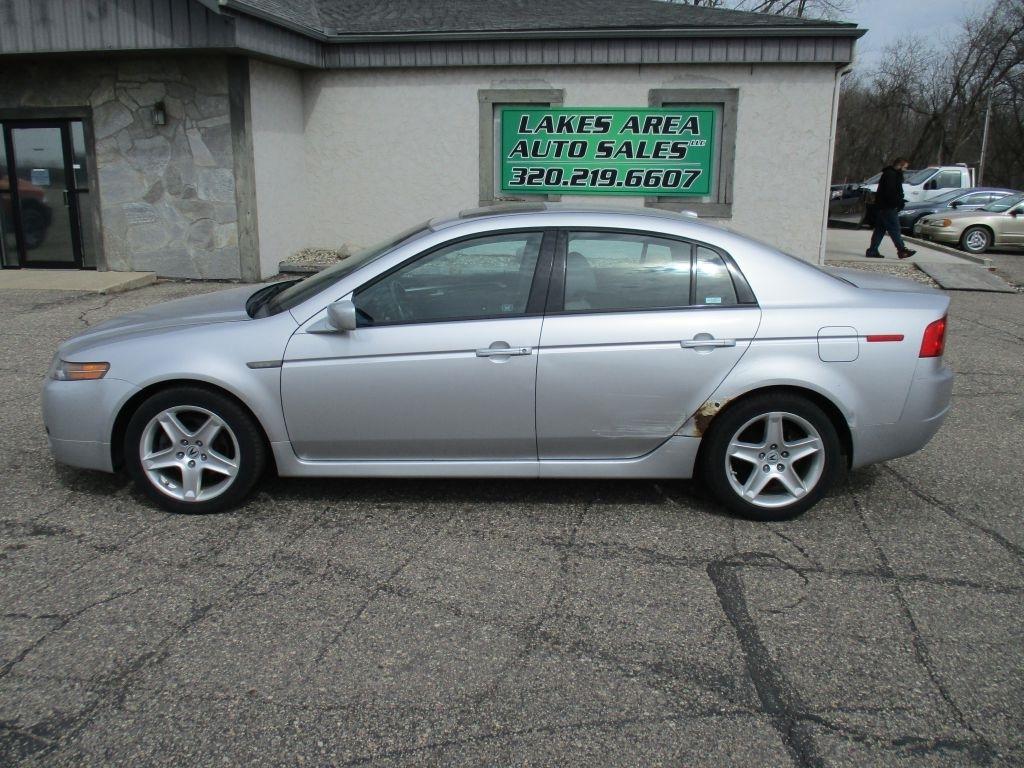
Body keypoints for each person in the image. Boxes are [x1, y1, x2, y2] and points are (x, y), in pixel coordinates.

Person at [865, 158, 916, 259]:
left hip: (883, 206)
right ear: (900, 166)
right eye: (905, 167)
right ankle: (902, 250)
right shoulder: (891, 175)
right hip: (888, 206)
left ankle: (872, 250)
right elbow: (890, 192)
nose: (905, 170)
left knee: (880, 230)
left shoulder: (889, 174)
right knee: (895, 229)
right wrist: (898, 202)